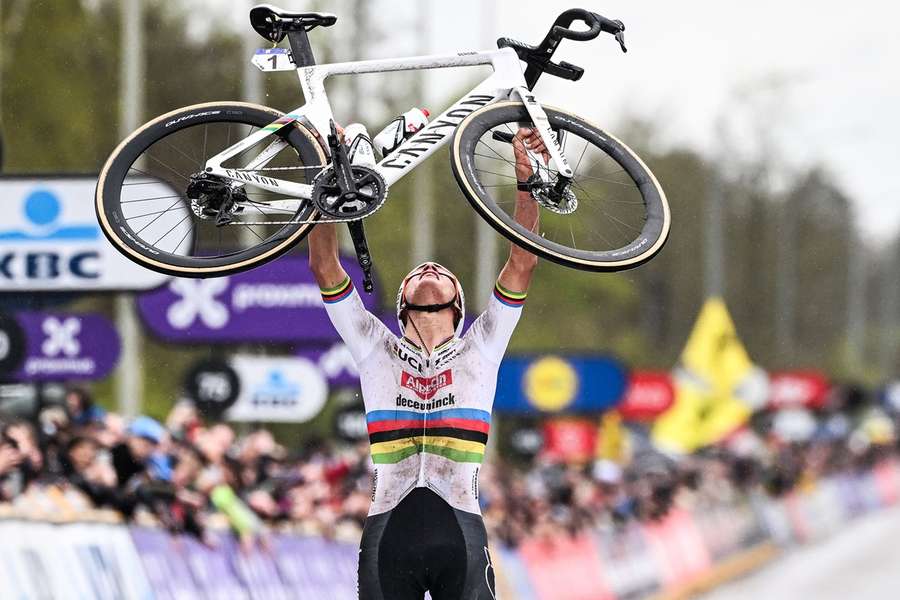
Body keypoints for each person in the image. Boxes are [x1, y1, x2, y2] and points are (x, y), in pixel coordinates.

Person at [309, 127, 545, 599]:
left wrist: (526, 179)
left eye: (440, 272)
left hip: (460, 529)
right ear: (403, 306)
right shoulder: (375, 345)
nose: (430, 271)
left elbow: (521, 262)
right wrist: (326, 186)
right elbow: (325, 266)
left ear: (458, 304)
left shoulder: (483, 345)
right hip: (388, 533)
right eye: (420, 272)